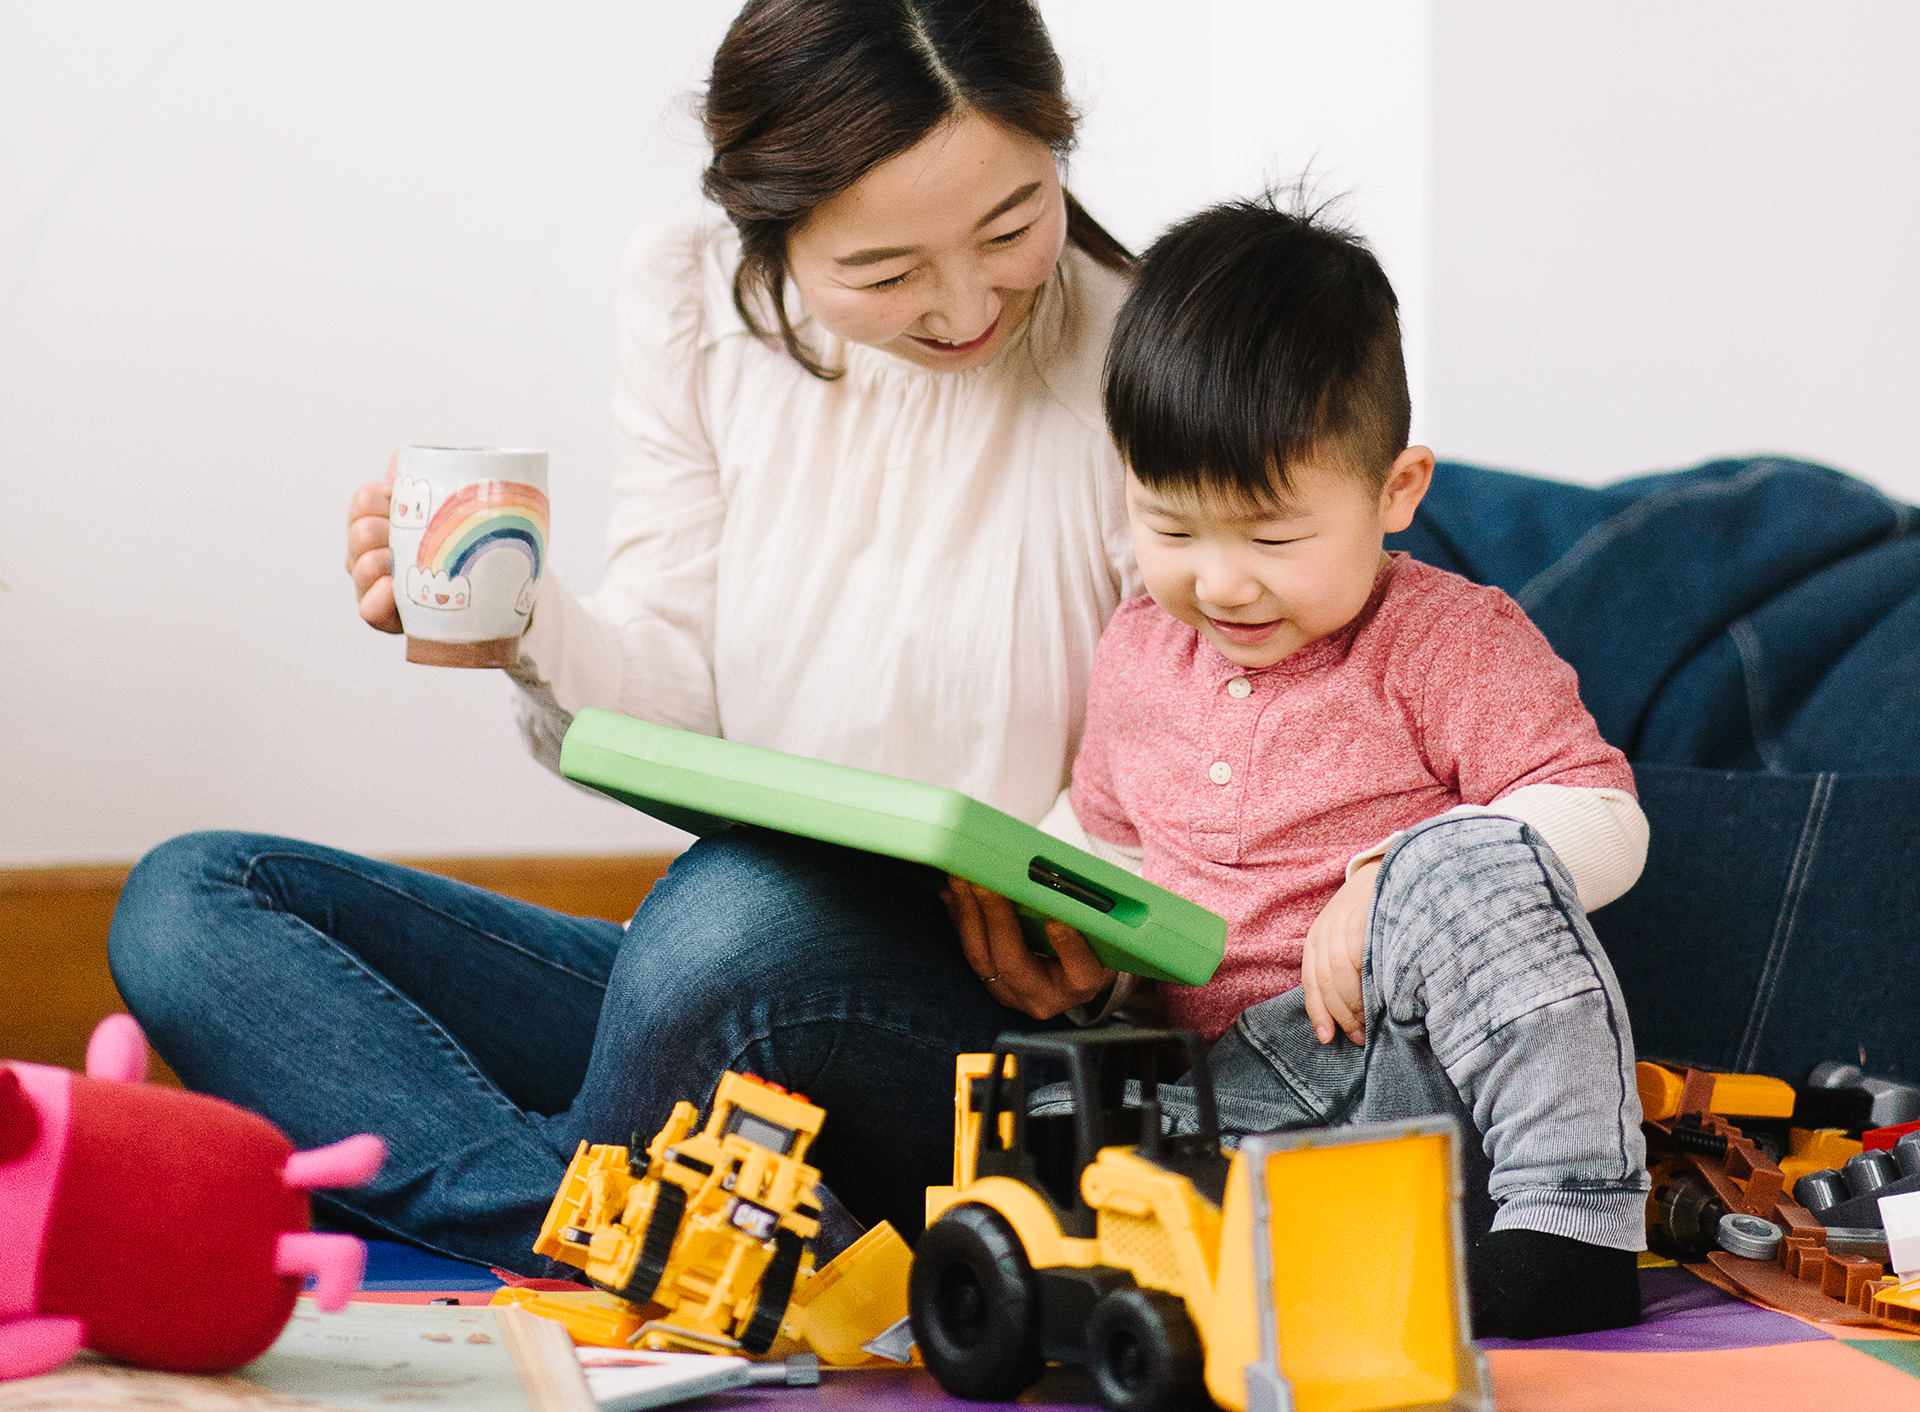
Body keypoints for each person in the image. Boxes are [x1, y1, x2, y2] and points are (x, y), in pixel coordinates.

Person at [107, 0, 1140, 1273]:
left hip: (1003, 1045)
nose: (969, 301)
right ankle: (621, 1233)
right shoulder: (693, 294)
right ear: (771, 228)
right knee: (192, 898)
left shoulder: (1151, 354)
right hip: (726, 984)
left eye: (1013, 224)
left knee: (727, 917)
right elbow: (674, 697)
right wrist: (522, 622)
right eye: (886, 274)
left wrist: (1085, 891)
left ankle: (615, 1220)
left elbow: (1234, 719)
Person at [1032, 195, 1652, 1338]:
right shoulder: (1135, 648)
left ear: (1395, 493)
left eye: (1272, 537)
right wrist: (1061, 928)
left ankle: (1571, 1228)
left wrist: (1396, 873)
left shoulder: (1446, 638)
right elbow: (1100, 840)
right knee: (1072, 1153)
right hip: (1235, 1090)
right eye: (1171, 528)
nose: (1221, 583)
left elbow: (1608, 822)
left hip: (1421, 1066)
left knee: (1470, 864)